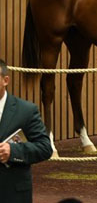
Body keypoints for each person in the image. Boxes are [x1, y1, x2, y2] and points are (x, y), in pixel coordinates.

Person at [0, 58, 53, 202]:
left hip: (12, 194)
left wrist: (13, 151)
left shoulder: (26, 111)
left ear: (5, 80)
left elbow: (45, 148)